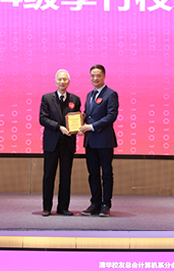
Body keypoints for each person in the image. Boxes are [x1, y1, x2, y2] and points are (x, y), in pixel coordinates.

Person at [38, 70, 81, 216]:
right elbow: (43, 118)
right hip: (52, 143)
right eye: (59, 79)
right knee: (49, 176)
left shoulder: (75, 99)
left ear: (69, 82)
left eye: (65, 79)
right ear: (55, 81)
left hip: (68, 143)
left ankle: (63, 207)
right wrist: (59, 127)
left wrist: (79, 128)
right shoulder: (47, 98)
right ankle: (47, 207)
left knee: (65, 176)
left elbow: (77, 118)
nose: (62, 82)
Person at [77, 65, 118, 216]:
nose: (95, 78)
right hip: (90, 142)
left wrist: (91, 127)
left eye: (98, 75)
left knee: (106, 174)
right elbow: (88, 114)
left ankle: (106, 204)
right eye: (93, 75)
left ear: (104, 76)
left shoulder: (111, 94)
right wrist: (80, 123)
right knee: (93, 174)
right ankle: (95, 203)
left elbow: (111, 116)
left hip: (104, 141)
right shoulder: (89, 95)